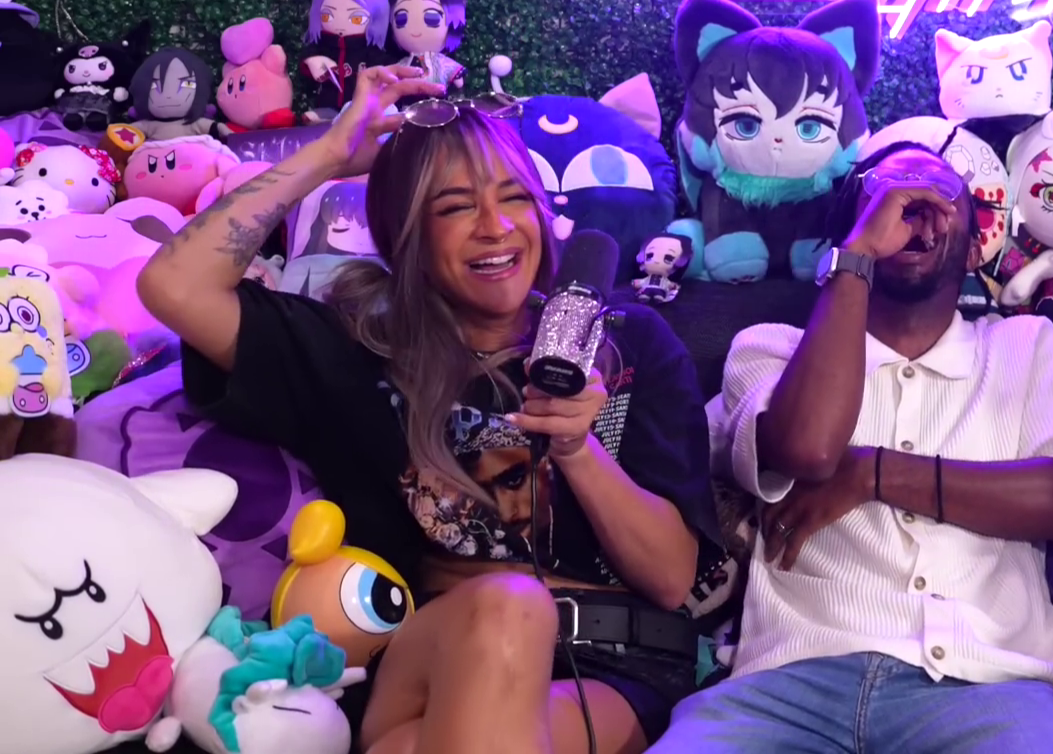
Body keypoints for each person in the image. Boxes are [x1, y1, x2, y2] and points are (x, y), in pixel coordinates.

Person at [139, 65, 721, 754]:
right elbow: (174, 285)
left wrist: (577, 449)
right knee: (508, 605)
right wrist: (328, 155)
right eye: (454, 207)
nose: (496, 227)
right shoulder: (355, 352)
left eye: (515, 197)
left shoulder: (626, 342)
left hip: (616, 663)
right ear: (405, 234)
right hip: (432, 652)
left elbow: (671, 578)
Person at [648, 142, 1053, 753]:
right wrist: (859, 258)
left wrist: (875, 473)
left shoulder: (1025, 346)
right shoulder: (769, 348)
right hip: (787, 685)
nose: (914, 211)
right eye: (886, 196)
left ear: (975, 247)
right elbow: (809, 450)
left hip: (992, 687)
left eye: (938, 196)